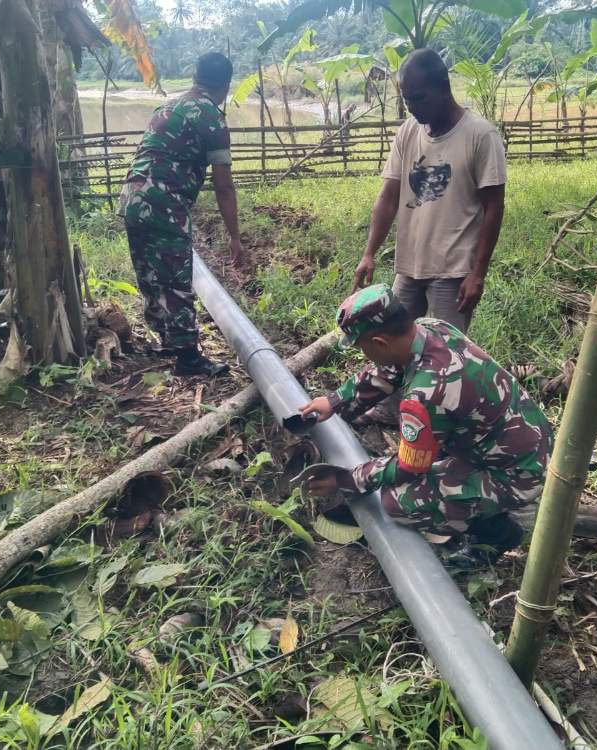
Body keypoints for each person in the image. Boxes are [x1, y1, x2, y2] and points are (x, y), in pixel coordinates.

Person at [299, 284, 552, 565]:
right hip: (527, 437)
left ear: (380, 343)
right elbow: (389, 370)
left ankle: (497, 531)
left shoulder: (424, 395)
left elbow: (409, 466)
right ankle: (468, 497)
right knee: (425, 467)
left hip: (515, 473)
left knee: (398, 503)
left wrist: (345, 480)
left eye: (362, 347)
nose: (363, 354)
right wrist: (335, 401)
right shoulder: (430, 328)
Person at [352, 49, 506, 422]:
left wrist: (478, 272)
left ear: (443, 88)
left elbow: (493, 208)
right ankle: (392, 408)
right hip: (410, 264)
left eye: (418, 98)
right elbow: (388, 196)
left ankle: (444, 423)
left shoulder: (479, 136)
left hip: (452, 269)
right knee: (392, 342)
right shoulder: (409, 131)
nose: (413, 108)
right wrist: (370, 252)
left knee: (446, 355)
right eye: (407, 99)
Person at [120, 52, 247, 378]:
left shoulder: (166, 107)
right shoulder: (212, 119)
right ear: (226, 84)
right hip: (163, 204)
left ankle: (163, 340)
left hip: (132, 198)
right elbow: (224, 187)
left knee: (150, 271)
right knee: (176, 277)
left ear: (195, 77)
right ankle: (188, 358)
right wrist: (234, 236)